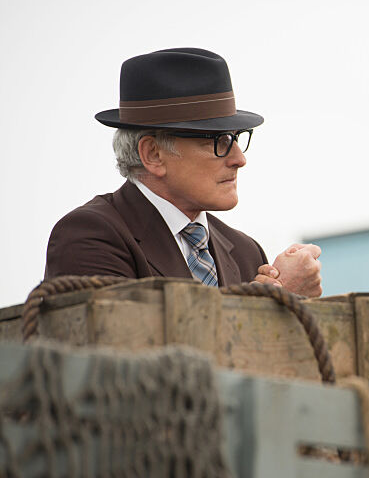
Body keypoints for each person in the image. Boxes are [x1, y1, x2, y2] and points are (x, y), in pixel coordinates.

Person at [45, 48, 322, 297]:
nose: (239, 159)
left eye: (237, 138)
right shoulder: (90, 236)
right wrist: (264, 302)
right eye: (218, 141)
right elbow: (124, 349)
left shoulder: (245, 252)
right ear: (153, 155)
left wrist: (291, 300)